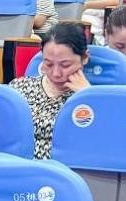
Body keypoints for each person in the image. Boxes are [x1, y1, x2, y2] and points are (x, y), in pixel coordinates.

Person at [9, 24, 90, 159]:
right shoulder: (18, 88)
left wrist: (88, 96)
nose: (56, 73)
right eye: (48, 64)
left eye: (65, 65)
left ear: (85, 58)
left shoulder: (91, 99)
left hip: (63, 168)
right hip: (17, 164)